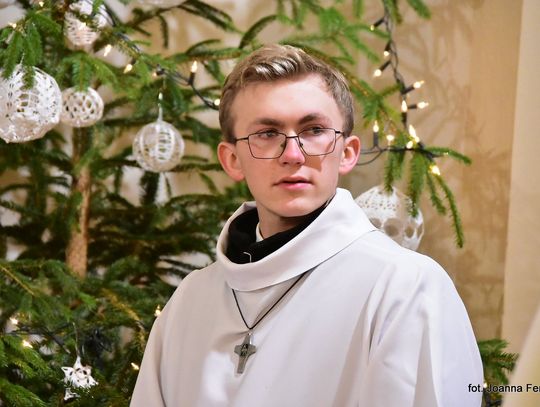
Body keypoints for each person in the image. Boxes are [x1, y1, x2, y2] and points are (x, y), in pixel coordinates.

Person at [131, 44, 483, 407]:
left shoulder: (405, 288)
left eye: (314, 129)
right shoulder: (191, 300)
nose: (293, 155)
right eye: (267, 133)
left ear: (347, 152)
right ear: (232, 159)